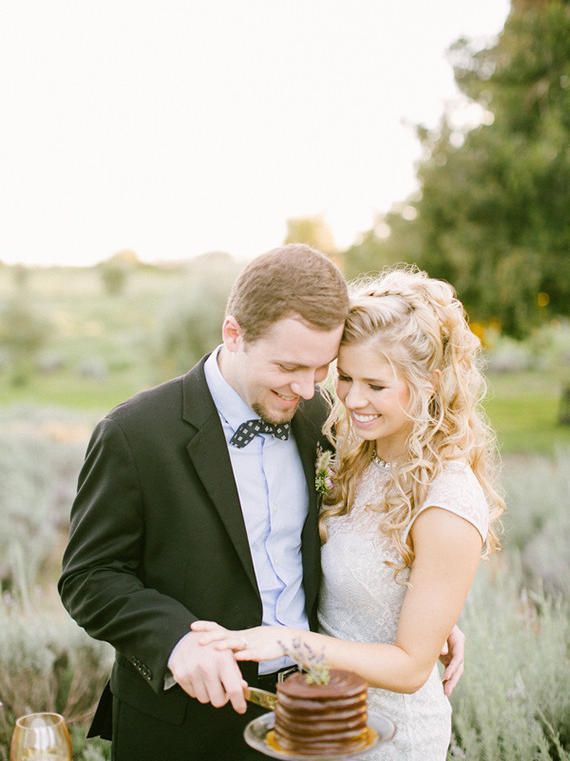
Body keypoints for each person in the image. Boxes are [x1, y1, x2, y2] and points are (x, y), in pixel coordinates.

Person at [58, 247, 466, 761]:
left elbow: (354, 531)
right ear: (234, 334)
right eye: (289, 366)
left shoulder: (325, 420)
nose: (306, 387)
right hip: (183, 729)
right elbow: (89, 576)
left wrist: (412, 609)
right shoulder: (134, 435)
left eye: (322, 368)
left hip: (315, 714)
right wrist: (175, 642)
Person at [192, 266, 505, 761]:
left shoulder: (449, 496)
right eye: (346, 377)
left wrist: (289, 642)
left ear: (431, 382)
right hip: (322, 716)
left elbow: (408, 669)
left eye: (377, 386)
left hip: (389, 737)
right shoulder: (355, 452)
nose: (352, 399)